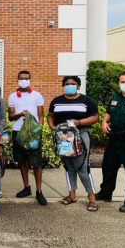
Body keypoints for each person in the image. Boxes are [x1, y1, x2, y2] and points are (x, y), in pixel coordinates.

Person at [47, 76, 99, 212]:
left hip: (80, 135)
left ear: (78, 86)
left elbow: (95, 117)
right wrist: (53, 127)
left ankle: (92, 198)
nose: (69, 86)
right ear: (63, 86)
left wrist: (80, 122)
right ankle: (72, 195)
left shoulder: (86, 101)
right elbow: (50, 115)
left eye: (73, 84)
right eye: (67, 84)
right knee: (69, 167)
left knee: (82, 167)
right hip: (63, 137)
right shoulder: (56, 101)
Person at [95, 71, 125, 213]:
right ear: (119, 83)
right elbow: (109, 113)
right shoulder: (115, 97)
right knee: (108, 168)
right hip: (114, 140)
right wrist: (104, 122)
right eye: (122, 82)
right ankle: (106, 193)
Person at [8, 70, 47, 205]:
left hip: (33, 133)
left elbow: (41, 115)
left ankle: (39, 191)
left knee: (36, 162)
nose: (24, 80)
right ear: (17, 80)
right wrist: (20, 114)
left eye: (26, 78)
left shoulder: (37, 95)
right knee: (22, 161)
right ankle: (26, 187)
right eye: (21, 78)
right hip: (18, 132)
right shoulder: (12, 96)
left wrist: (39, 128)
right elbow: (10, 117)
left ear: (30, 80)